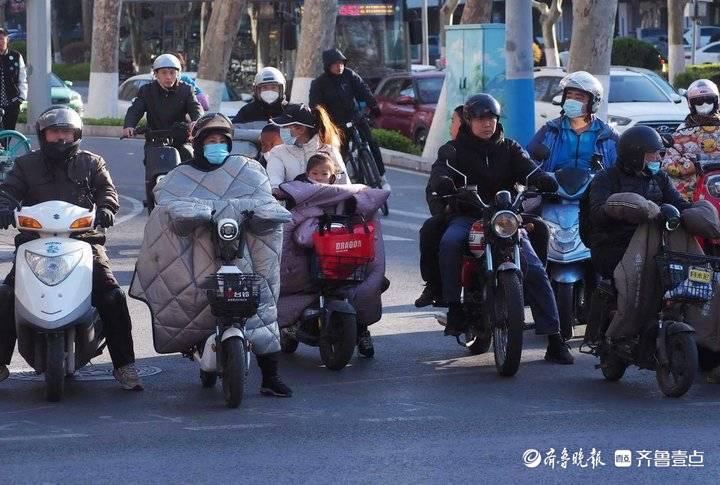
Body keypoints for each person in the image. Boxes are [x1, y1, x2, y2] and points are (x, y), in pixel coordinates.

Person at [138, 112, 293, 397]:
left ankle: (270, 376)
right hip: (199, 257)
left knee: (263, 308)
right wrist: (190, 213)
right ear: (198, 143)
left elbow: (264, 201)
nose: (217, 145)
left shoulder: (248, 170)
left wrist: (258, 213)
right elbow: (167, 203)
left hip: (243, 253)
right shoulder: (179, 175)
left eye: (223, 140)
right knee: (194, 305)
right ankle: (199, 347)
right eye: (211, 140)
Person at [0, 106, 142, 390]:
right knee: (5, 294)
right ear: (43, 135)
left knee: (112, 294)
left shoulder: (92, 162)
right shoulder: (26, 165)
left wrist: (107, 208)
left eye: (66, 132)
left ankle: (124, 365)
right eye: (55, 132)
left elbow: (107, 191)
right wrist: (4, 207)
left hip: (85, 242)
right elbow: (8, 190)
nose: (61, 138)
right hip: (34, 242)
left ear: (76, 134)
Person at [429, 94, 574, 365]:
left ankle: (555, 338)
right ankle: (454, 307)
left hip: (505, 218)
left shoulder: (510, 148)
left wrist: (543, 179)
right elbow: (440, 175)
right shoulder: (453, 150)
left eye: (492, 119)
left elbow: (529, 170)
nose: (487, 124)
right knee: (450, 241)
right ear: (469, 121)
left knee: (535, 267)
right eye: (481, 119)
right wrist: (444, 185)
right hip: (469, 216)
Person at [588, 125, 692, 279]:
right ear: (635, 156)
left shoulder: (660, 177)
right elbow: (597, 213)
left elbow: (677, 202)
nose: (658, 158)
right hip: (616, 244)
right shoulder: (607, 177)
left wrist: (696, 211)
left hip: (655, 241)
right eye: (652, 154)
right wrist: (624, 207)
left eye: (660, 154)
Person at [309, 48, 389, 191]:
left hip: (356, 117)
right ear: (328, 65)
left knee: (371, 143)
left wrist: (373, 106)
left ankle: (382, 177)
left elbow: (363, 90)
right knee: (339, 154)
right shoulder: (319, 83)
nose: (339, 66)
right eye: (335, 64)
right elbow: (316, 107)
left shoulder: (350, 75)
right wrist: (321, 125)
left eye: (341, 63)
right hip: (335, 125)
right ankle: (342, 182)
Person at [415, 105, 464, 307]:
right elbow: (434, 186)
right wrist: (444, 209)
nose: (451, 125)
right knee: (432, 229)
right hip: (459, 214)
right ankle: (437, 287)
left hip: (496, 216)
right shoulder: (449, 151)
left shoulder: (504, 148)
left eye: (454, 121)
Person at [528, 71, 618, 171]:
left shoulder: (608, 135)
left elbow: (621, 170)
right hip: (554, 185)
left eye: (578, 98)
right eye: (568, 97)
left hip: (596, 186)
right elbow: (528, 161)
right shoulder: (549, 131)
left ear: (593, 102)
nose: (571, 101)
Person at [122, 53, 202, 159]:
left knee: (189, 160)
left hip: (180, 140)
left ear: (178, 74)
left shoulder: (186, 90)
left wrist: (196, 121)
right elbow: (136, 109)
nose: (168, 77)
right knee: (151, 164)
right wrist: (129, 125)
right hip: (155, 140)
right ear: (156, 74)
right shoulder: (146, 91)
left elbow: (195, 107)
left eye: (172, 73)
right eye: (164, 73)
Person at [265, 103, 349, 194]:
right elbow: (274, 181)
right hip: (291, 206)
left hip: (328, 205)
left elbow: (346, 186)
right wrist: (277, 191)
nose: (280, 130)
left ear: (301, 129)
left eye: (284, 127)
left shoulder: (330, 151)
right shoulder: (277, 152)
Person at [662, 78, 720, 200]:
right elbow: (668, 164)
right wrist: (691, 164)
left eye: (709, 100)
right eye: (698, 101)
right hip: (692, 196)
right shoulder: (681, 131)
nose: (704, 104)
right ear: (691, 104)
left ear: (716, 101)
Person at [0, 27, 26, 131]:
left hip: (12, 102)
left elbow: (22, 79)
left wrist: (21, 98)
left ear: (7, 39)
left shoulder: (16, 56)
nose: (0, 42)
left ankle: (5, 147)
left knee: (8, 133)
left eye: (1, 38)